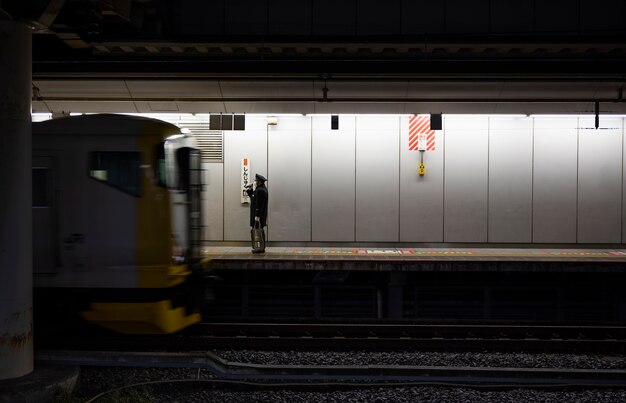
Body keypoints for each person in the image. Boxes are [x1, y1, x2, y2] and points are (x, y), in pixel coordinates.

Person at [246, 173, 268, 253]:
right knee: (258, 231)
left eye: (256, 180)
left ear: (260, 182)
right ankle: (259, 247)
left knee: (259, 231)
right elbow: (253, 197)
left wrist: (257, 216)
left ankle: (260, 248)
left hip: (258, 215)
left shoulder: (261, 190)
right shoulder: (259, 189)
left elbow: (259, 204)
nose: (255, 182)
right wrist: (249, 189)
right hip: (257, 215)